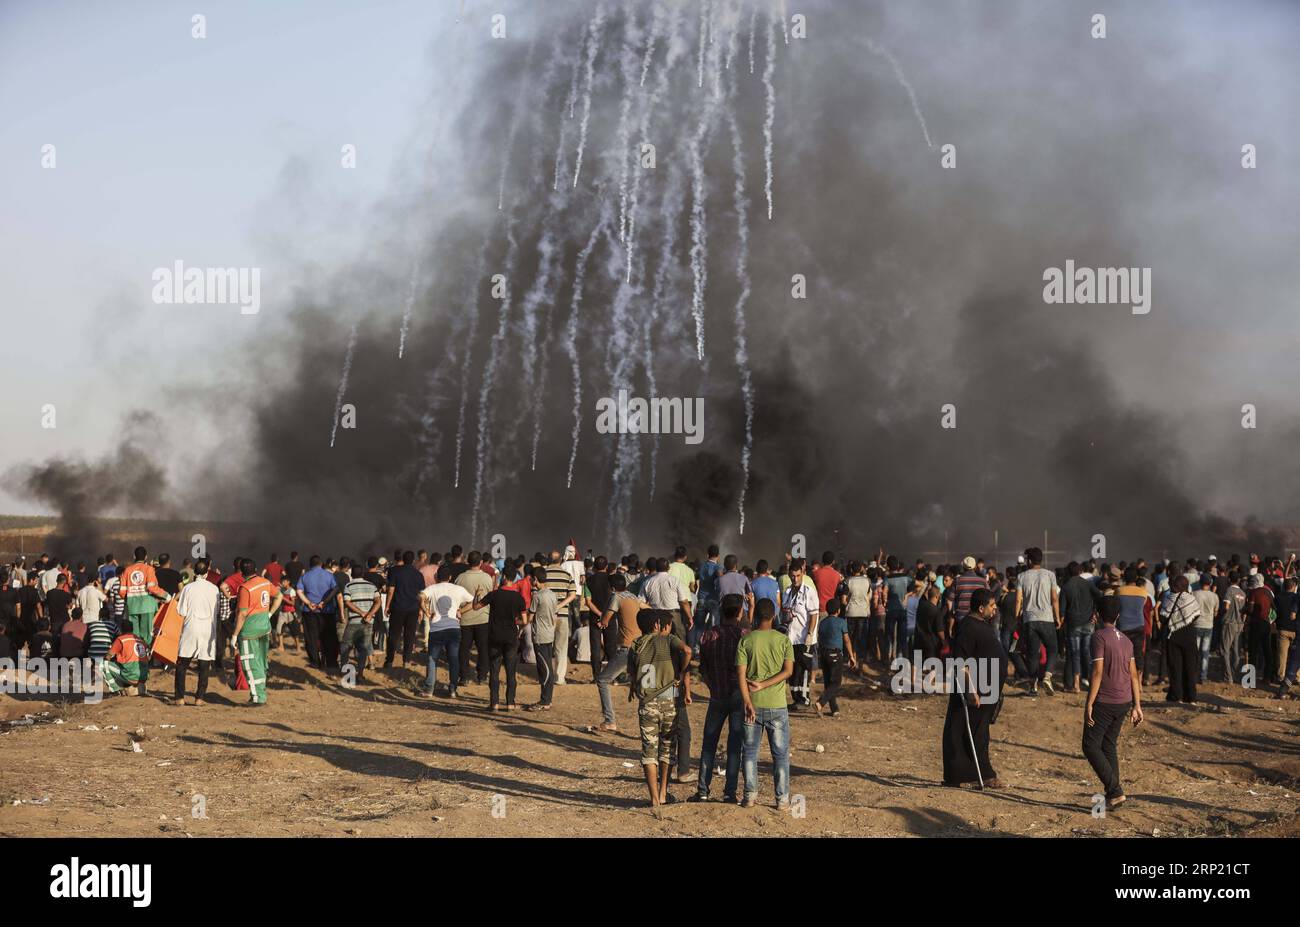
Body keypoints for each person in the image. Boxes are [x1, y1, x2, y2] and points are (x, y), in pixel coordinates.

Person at [942, 588, 1006, 789]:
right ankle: (975, 776)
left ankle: (974, 775)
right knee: (968, 731)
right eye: (992, 606)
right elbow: (961, 662)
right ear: (981, 608)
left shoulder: (980, 623)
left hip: (987, 688)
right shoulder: (967, 627)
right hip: (975, 689)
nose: (994, 610)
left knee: (979, 731)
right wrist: (971, 690)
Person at [1083, 597, 1143, 809]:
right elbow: (1134, 675)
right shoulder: (1126, 640)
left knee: (1090, 745)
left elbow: (1098, 671)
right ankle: (1112, 794)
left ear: (1097, 614)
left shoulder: (1098, 637)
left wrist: (1089, 702)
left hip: (1105, 701)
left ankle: (1115, 790)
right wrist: (1137, 705)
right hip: (1124, 701)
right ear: (1118, 616)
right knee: (1108, 745)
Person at [628, 609, 691, 807]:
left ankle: (654, 798)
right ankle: (664, 792)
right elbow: (687, 650)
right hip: (668, 702)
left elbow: (632, 672)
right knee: (667, 749)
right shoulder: (667, 640)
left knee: (649, 751)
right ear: (657, 625)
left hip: (647, 704)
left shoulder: (636, 645)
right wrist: (680, 672)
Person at [737, 598, 794, 808]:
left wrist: (747, 701)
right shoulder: (783, 640)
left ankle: (750, 796)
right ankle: (782, 799)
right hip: (778, 705)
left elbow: (740, 675)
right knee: (780, 756)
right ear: (773, 616)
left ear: (756, 616)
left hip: (752, 706)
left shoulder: (746, 640)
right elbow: (788, 671)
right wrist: (765, 684)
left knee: (750, 753)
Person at [691, 595, 745, 803]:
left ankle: (703, 790)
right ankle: (730, 792)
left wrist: (711, 684)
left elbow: (702, 669)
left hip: (716, 695)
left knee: (709, 744)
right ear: (739, 612)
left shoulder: (707, 636)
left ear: (721, 611)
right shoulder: (744, 636)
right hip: (738, 695)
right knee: (734, 745)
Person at [595, 572, 646, 732]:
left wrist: (601, 621)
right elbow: (647, 608)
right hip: (642, 646)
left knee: (602, 680)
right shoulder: (633, 597)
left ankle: (610, 720)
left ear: (611, 588)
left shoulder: (616, 597)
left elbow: (605, 620)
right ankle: (650, 726)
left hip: (627, 647)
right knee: (643, 687)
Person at [418, 565, 473, 698]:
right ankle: (453, 689)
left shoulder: (432, 588)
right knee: (453, 659)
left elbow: (420, 597)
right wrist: (461, 611)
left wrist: (426, 611)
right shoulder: (458, 589)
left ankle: (429, 689)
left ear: (436, 577)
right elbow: (472, 601)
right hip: (454, 628)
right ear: (450, 577)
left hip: (436, 629)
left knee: (432, 659)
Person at [233, 559, 282, 706]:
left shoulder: (245, 588)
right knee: (261, 662)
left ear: (241, 572)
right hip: (264, 628)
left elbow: (242, 614)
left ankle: (257, 698)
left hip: (249, 631)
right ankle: (261, 692)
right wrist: (270, 614)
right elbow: (279, 596)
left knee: (249, 663)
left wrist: (234, 634)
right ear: (256, 569)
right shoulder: (265, 582)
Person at [475, 575, 527, 711]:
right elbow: (525, 620)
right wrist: (514, 622)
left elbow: (476, 607)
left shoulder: (494, 594)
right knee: (511, 672)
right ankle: (510, 703)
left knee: (494, 670)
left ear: (503, 577)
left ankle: (494, 703)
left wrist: (476, 595)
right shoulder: (518, 598)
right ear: (513, 579)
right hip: (511, 637)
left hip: (494, 637)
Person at [173, 558, 219, 705]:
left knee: (182, 664)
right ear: (206, 574)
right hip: (207, 629)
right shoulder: (214, 589)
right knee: (204, 665)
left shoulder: (188, 588)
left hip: (190, 627)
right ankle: (199, 698)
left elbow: (181, 611)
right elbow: (216, 611)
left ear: (195, 573)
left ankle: (180, 698)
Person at [1015, 547, 1060, 695]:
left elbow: (1018, 601)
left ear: (1029, 560)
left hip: (1030, 620)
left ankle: (1033, 687)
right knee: (1053, 649)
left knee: (1032, 654)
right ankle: (1047, 676)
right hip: (1047, 619)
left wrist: (1017, 618)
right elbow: (1054, 599)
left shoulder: (1021, 577)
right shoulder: (1050, 575)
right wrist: (1057, 618)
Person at [527, 565, 572, 711]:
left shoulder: (537, 596)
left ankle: (545, 701)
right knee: (546, 666)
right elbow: (555, 613)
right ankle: (546, 699)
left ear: (535, 579)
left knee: (544, 668)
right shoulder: (552, 594)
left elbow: (530, 618)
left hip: (540, 635)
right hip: (549, 634)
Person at [780, 558, 819, 709]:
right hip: (791, 638)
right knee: (793, 669)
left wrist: (810, 634)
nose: (795, 579)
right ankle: (796, 699)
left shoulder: (809, 592)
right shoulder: (788, 592)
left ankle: (805, 699)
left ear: (802, 574)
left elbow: (814, 615)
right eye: (792, 576)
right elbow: (784, 612)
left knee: (803, 669)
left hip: (804, 638)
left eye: (798, 576)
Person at [1159, 574, 1201, 704]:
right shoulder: (1191, 599)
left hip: (1173, 637)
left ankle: (1176, 696)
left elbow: (1163, 619)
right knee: (1190, 667)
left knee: (1175, 668)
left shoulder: (1168, 599)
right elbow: (1196, 615)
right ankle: (1191, 697)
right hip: (1189, 636)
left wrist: (1174, 621)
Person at [1060, 561, 1101, 693]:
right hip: (1088, 623)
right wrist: (1095, 612)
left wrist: (1060, 624)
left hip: (1073, 624)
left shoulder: (1065, 587)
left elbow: (1062, 611)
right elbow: (1099, 595)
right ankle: (1091, 683)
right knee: (1087, 654)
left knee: (1075, 654)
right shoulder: (1088, 584)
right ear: (1079, 571)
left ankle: (1076, 685)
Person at [456, 552, 495, 687]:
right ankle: (482, 676)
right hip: (483, 618)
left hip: (465, 619)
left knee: (464, 649)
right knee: (483, 648)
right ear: (480, 563)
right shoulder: (487, 578)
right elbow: (491, 595)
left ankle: (464, 677)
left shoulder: (460, 578)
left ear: (468, 562)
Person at [815, 597, 856, 716]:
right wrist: (851, 656)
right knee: (836, 683)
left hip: (824, 654)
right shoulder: (841, 622)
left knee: (828, 682)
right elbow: (847, 640)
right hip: (836, 654)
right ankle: (820, 702)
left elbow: (820, 639)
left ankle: (834, 709)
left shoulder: (822, 623)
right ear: (838, 610)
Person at [120, 547, 168, 646]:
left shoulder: (127, 570)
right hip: (147, 607)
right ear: (146, 557)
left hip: (132, 607)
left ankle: (136, 655)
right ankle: (145, 657)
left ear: (134, 556)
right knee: (147, 635)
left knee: (134, 635)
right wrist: (166, 596)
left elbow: (122, 592)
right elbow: (152, 588)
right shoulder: (149, 569)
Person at [340, 566, 380, 684]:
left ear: (352, 574)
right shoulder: (372, 586)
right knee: (363, 649)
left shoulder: (348, 586)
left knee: (345, 647)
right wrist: (370, 614)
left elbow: (347, 602)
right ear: (363, 574)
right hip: (368, 622)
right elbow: (378, 601)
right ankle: (360, 675)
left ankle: (346, 674)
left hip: (354, 622)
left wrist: (360, 612)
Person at [102, 624, 149, 697]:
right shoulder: (140, 640)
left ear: (121, 630)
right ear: (132, 629)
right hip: (143, 676)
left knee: (103, 664)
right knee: (124, 666)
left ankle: (115, 691)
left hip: (130, 675)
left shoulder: (121, 639)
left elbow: (108, 657)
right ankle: (132, 687)